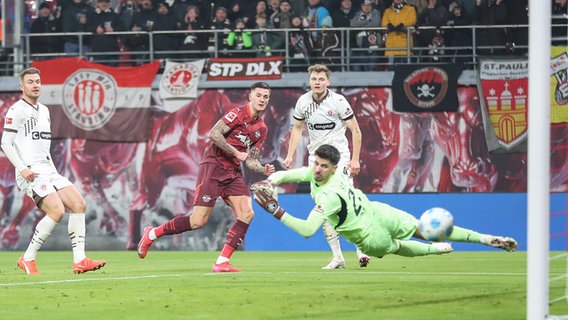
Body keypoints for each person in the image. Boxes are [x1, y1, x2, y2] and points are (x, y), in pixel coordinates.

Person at [253, 144, 518, 262]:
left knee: (407, 242)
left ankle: (455, 246)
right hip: (375, 214)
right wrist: (271, 180)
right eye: (316, 164)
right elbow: (290, 173)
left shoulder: (328, 196)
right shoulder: (318, 172)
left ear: (335, 168)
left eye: (324, 166)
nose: (317, 170)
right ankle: (470, 242)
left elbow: (307, 230)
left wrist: (276, 210)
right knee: (420, 231)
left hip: (371, 232)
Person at [137, 82, 276, 273]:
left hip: (232, 173)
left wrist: (262, 169)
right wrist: (236, 152)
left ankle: (222, 261)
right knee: (198, 221)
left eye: (265, 97)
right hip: (213, 166)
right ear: (250, 96)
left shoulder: (261, 128)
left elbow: (251, 161)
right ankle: (152, 234)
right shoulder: (236, 114)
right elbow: (214, 134)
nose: (262, 100)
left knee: (247, 213)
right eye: (258, 95)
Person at [0, 67, 106, 275]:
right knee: (56, 211)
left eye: (38, 81)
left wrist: (55, 172)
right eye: (30, 82)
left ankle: (80, 260)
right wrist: (22, 168)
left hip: (48, 170)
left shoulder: (45, 111)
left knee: (78, 204)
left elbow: (42, 146)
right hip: (30, 171)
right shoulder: (16, 110)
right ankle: (27, 258)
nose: (35, 85)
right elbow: (6, 143)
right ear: (22, 87)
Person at [282, 64, 370, 269]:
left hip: (340, 160)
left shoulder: (338, 101)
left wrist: (355, 159)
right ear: (310, 81)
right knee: (324, 209)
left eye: (321, 79)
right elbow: (296, 129)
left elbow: (356, 131)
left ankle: (360, 247)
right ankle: (338, 257)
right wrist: (289, 155)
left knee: (346, 203)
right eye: (314, 79)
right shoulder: (303, 102)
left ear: (328, 82)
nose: (317, 82)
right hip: (317, 161)